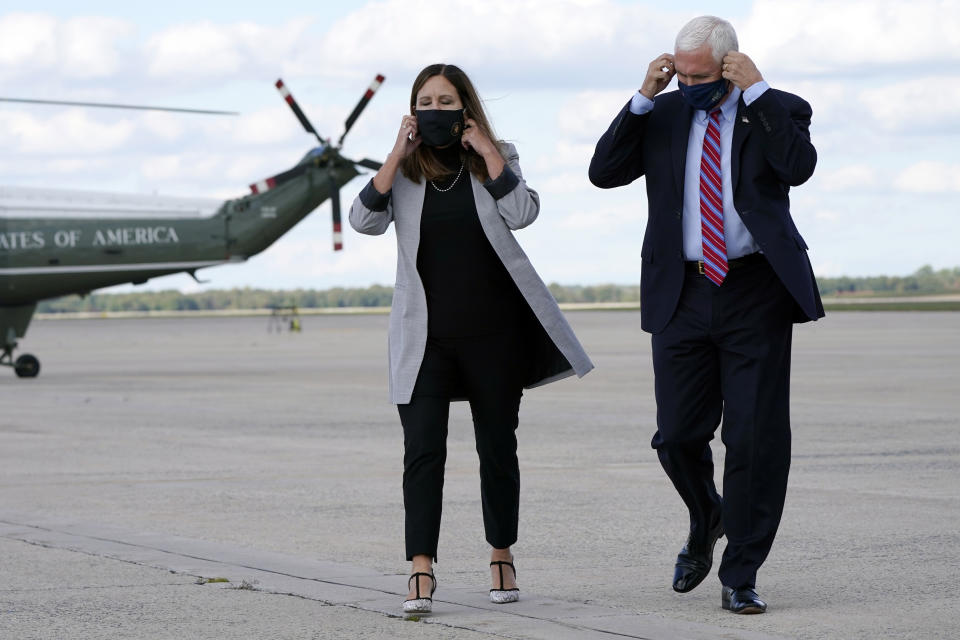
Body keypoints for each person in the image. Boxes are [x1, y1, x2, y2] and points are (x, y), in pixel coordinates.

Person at [588, 16, 822, 614]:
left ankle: (740, 572)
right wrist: (645, 94)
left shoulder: (778, 107)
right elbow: (604, 172)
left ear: (730, 65)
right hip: (681, 293)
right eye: (681, 73)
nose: (689, 83)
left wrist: (759, 91)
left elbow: (797, 167)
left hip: (755, 291)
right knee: (676, 437)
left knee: (754, 439)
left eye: (701, 75)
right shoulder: (663, 114)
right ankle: (707, 514)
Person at [350, 63, 593, 614]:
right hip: (425, 337)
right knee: (423, 452)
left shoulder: (495, 155)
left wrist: (487, 150)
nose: (436, 110)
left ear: (465, 106)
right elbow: (363, 221)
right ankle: (420, 569)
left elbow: (523, 213)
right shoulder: (404, 170)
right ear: (414, 111)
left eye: (447, 100)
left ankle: (501, 554)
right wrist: (394, 154)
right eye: (426, 102)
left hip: (494, 334)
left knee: (496, 448)